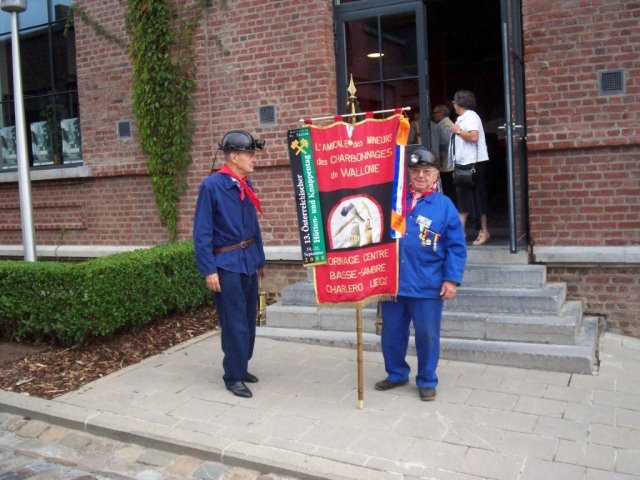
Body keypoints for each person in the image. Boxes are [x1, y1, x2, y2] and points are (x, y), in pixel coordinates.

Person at [375, 147, 467, 401]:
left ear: (436, 175)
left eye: (427, 171)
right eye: (416, 171)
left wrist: (451, 279)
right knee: (392, 333)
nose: (421, 176)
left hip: (428, 283)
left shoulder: (444, 206)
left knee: (427, 334)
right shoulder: (396, 200)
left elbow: (457, 247)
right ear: (409, 174)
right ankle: (396, 373)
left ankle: (427, 379)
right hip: (393, 282)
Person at [193, 130, 266, 399]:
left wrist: (259, 259)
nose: (253, 159)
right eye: (249, 154)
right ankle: (233, 376)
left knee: (248, 319)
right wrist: (209, 269)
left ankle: (242, 364)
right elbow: (202, 232)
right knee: (234, 322)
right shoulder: (212, 185)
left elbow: (253, 227)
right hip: (226, 264)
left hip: (247, 261)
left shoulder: (246, 185)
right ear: (234, 157)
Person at [450, 90, 491, 245]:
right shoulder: (461, 118)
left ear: (460, 102)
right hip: (462, 164)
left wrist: (458, 131)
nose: (453, 104)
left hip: (474, 164)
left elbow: (474, 137)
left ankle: (484, 232)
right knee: (461, 199)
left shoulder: (471, 116)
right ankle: (460, 234)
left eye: (454, 101)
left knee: (477, 199)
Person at [431, 104, 455, 202]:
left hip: (446, 165)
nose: (433, 115)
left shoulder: (442, 125)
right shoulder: (449, 123)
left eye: (435, 113)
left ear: (441, 113)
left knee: (449, 191)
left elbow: (446, 142)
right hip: (449, 164)